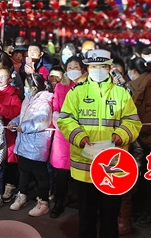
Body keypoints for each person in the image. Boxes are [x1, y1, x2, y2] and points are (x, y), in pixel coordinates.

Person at [58, 49, 142, 238]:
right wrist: (79, 136)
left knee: (110, 217)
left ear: (109, 68)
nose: (98, 70)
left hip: (112, 167)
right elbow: (65, 120)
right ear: (87, 68)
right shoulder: (77, 92)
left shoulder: (121, 93)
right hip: (84, 167)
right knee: (86, 217)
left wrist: (120, 134)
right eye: (94, 66)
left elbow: (133, 122)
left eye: (102, 66)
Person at [122, 57, 151, 230]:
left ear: (133, 71)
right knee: (145, 180)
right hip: (145, 139)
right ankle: (147, 210)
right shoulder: (141, 85)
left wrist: (136, 130)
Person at [8, 73, 54, 217]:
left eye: (27, 86)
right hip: (24, 143)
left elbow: (42, 121)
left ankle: (43, 202)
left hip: (36, 145)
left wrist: (24, 127)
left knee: (40, 174)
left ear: (34, 88)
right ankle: (22, 195)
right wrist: (15, 122)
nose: (25, 89)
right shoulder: (28, 99)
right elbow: (23, 116)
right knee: (23, 171)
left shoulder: (44, 102)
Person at [49, 56, 87, 218]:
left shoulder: (87, 86)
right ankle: (59, 202)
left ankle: (82, 204)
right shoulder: (61, 86)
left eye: (76, 67)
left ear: (83, 69)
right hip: (63, 135)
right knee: (62, 173)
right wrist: (61, 124)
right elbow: (56, 109)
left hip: (83, 133)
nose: (72, 70)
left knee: (82, 172)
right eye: (70, 67)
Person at [0, 67, 22, 203]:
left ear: (9, 80)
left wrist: (4, 110)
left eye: (4, 77)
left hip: (8, 132)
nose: (1, 79)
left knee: (10, 159)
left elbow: (17, 112)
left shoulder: (13, 94)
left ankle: (10, 185)